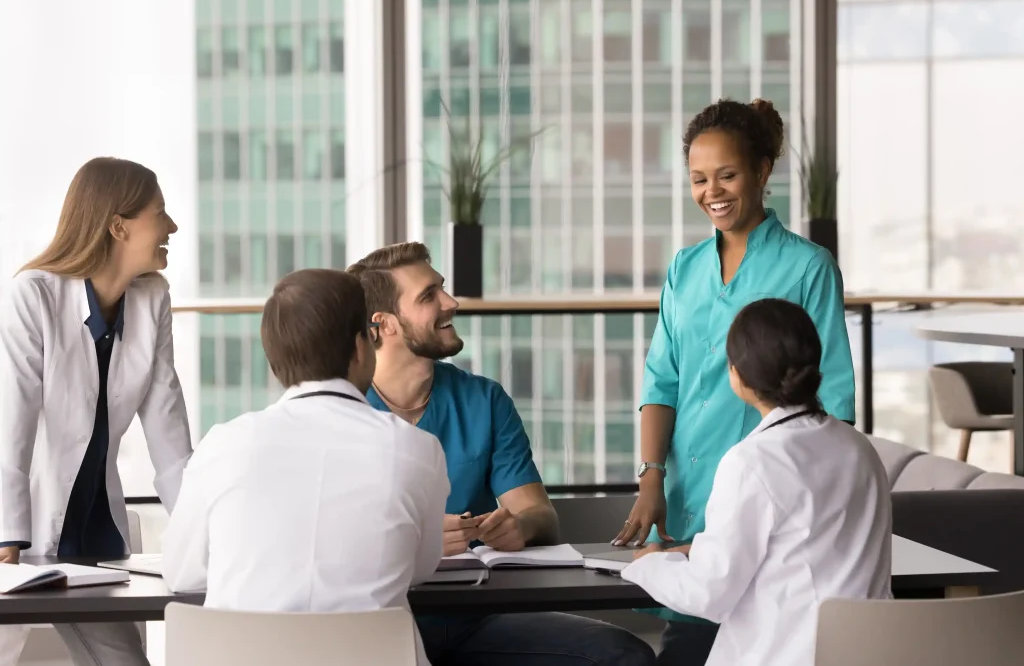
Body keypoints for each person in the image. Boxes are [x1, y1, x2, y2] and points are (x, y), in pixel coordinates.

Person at [612, 98, 856, 665]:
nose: (711, 191)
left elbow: (835, 403)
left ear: (762, 172)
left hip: (774, 504)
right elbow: (660, 380)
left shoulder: (808, 266)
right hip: (687, 499)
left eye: (727, 175)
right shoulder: (685, 268)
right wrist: (651, 480)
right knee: (692, 635)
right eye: (699, 179)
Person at [348, 242, 656, 666]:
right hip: (374, 625)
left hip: (475, 621)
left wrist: (519, 527)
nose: (450, 303)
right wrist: (415, 541)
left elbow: (540, 515)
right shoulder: (343, 411)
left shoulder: (484, 399)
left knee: (623, 656)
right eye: (428, 296)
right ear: (383, 325)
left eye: (443, 288)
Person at [162, 268, 448, 666]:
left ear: (276, 360)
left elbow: (181, 574)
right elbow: (420, 567)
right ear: (360, 347)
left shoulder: (223, 445)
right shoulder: (417, 448)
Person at [621, 298, 891, 666]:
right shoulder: (860, 448)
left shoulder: (752, 461)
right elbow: (801, 544)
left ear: (737, 375)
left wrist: (649, 564)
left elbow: (708, 595)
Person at [0, 157, 193, 666]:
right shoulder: (33, 295)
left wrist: (202, 530)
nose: (172, 226)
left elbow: (170, 437)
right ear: (117, 225)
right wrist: (7, 533)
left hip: (94, 532)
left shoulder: (153, 298)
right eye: (160, 213)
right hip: (23, 527)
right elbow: (10, 428)